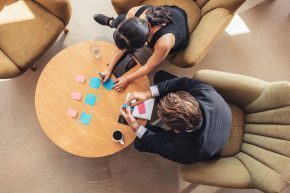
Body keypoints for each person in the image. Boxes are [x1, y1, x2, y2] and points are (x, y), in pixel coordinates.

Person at [119, 71, 232, 164]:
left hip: (204, 143)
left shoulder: (187, 150)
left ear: (176, 130)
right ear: (189, 97)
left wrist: (136, 127)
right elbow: (183, 82)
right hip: (220, 115)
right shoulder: (204, 91)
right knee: (160, 76)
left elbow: (161, 146)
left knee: (140, 143)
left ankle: (149, 129)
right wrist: (147, 94)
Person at [94, 5, 190, 92]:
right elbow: (122, 45)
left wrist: (127, 79)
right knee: (121, 21)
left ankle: (113, 23)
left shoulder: (163, 43)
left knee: (120, 20)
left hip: (179, 27)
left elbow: (149, 66)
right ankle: (111, 22)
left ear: (145, 43)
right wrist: (109, 68)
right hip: (171, 12)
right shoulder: (134, 11)